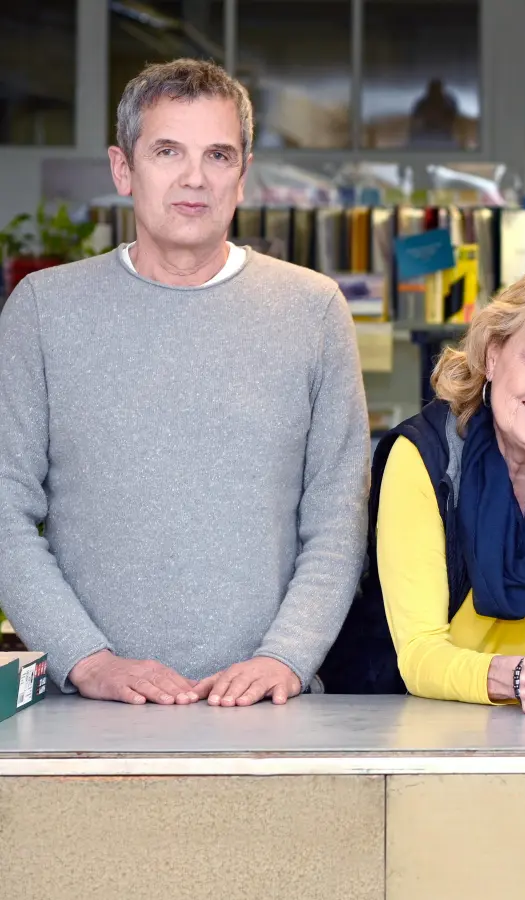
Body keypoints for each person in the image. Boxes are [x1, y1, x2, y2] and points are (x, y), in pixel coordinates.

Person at [0, 59, 369, 706]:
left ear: (243, 176)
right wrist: (86, 660)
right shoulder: (43, 311)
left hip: (272, 711)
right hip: (92, 712)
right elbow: (2, 506)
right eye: (168, 151)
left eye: (219, 155)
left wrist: (287, 656)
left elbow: (337, 515)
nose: (195, 177)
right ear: (124, 168)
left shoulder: (313, 310)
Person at [321, 270, 525, 713]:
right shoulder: (425, 456)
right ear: (493, 356)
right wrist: (519, 677)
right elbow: (419, 655)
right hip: (407, 722)